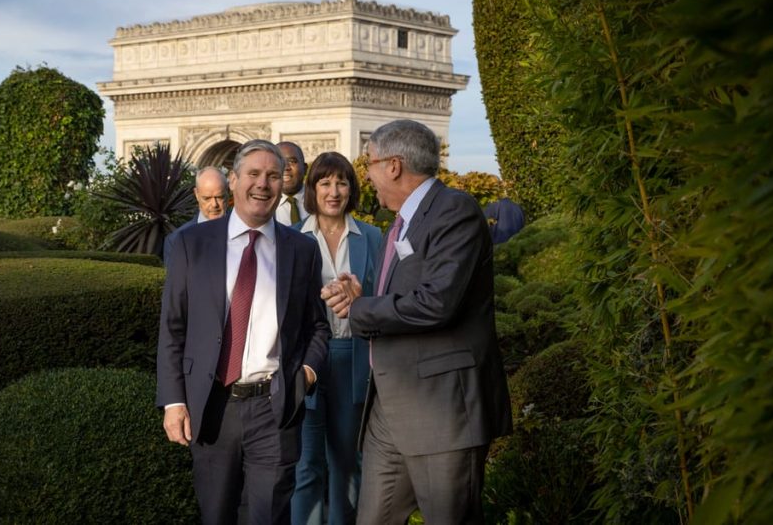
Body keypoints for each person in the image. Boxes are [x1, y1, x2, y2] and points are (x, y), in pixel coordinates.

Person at [321, 120, 512, 524]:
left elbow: (436, 303)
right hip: (389, 409)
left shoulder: (454, 210)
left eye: (369, 163)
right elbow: (406, 298)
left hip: (442, 410)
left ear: (393, 166)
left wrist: (359, 310)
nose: (366, 176)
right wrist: (362, 297)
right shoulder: (402, 221)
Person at [158, 139, 330, 525]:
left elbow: (317, 325)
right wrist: (173, 401)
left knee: (268, 516)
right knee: (216, 515)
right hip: (212, 406)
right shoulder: (190, 244)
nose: (263, 184)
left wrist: (306, 374)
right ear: (233, 180)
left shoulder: (302, 250)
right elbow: (173, 326)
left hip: (275, 406)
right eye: (253, 174)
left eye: (273, 175)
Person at [291, 152, 383, 525]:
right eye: (325, 182)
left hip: (353, 358)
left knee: (347, 464)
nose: (334, 191)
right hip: (306, 362)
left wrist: (361, 298)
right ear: (312, 189)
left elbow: (385, 300)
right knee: (306, 465)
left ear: (352, 188)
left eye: (342, 182)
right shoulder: (292, 237)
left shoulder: (372, 237)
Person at [163, 167, 228, 265]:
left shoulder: (247, 230)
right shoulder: (176, 241)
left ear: (228, 193)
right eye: (207, 198)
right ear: (196, 194)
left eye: (219, 197)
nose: (214, 204)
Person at [274, 141, 310, 226]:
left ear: (305, 169)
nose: (286, 167)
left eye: (292, 161)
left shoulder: (321, 201)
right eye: (279, 162)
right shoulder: (262, 207)